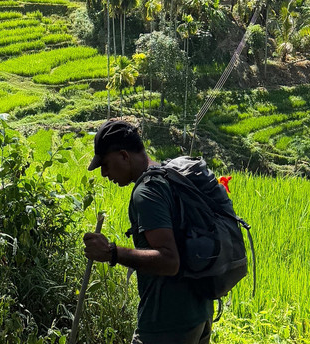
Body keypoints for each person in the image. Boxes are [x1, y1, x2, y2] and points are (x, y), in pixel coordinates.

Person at [83, 120, 213, 344]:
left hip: (166, 324)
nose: (104, 173)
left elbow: (169, 261)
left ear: (124, 155)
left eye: (105, 163)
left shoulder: (146, 193)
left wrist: (111, 253)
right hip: (198, 315)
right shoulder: (169, 176)